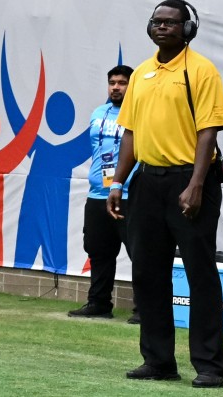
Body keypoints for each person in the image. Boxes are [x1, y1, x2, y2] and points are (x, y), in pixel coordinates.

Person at [108, 0, 223, 390]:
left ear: (188, 28)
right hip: (147, 182)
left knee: (200, 272)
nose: (162, 28)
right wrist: (117, 182)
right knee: (147, 271)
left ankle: (210, 366)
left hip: (190, 181)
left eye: (171, 23)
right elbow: (130, 131)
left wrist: (196, 184)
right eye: (157, 22)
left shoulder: (201, 70)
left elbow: (208, 130)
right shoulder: (142, 72)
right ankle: (159, 361)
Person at [69, 64, 134, 321]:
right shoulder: (98, 113)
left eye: (122, 83)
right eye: (112, 83)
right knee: (98, 251)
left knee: (140, 254)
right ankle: (99, 304)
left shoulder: (140, 113)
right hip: (97, 195)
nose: (116, 87)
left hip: (129, 196)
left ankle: (144, 309)